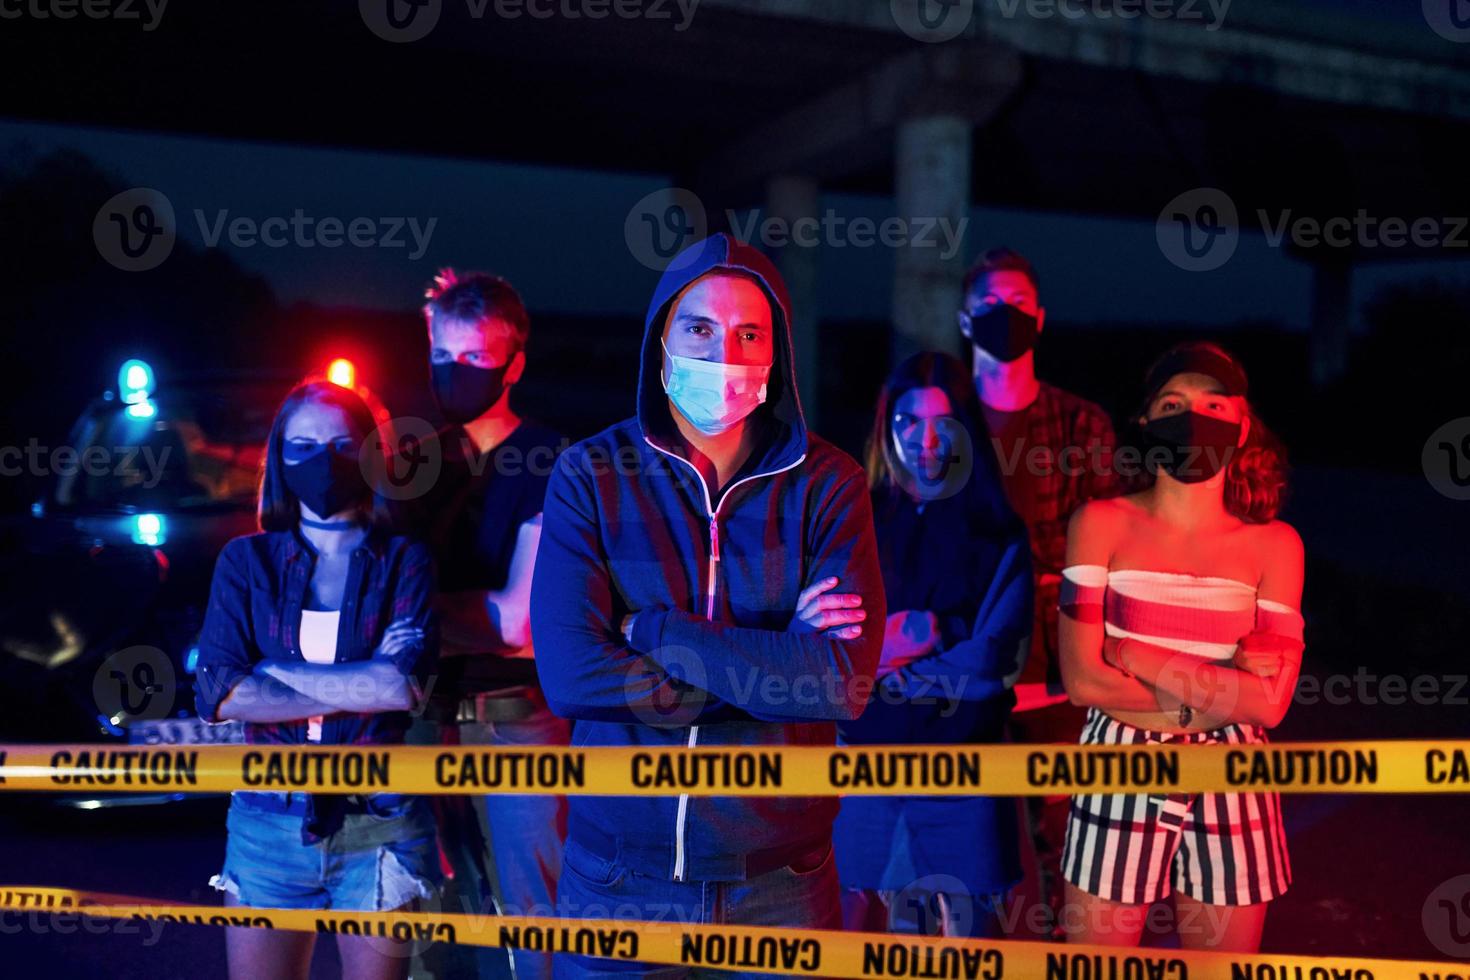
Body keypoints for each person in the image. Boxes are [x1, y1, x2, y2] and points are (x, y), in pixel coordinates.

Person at [530, 232, 886, 978]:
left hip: (783, 883)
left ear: (775, 351)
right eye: (699, 328)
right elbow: (569, 677)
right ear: (660, 341)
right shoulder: (590, 474)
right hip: (618, 876)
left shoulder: (830, 483)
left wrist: (650, 630)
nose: (723, 351)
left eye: (747, 332)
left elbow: (842, 686)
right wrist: (776, 665)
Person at [1058, 342, 1305, 951]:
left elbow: (1270, 707)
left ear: (1243, 427)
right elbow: (1083, 682)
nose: (1193, 417)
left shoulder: (1277, 545)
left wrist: (1135, 657)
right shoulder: (1100, 523)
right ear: (1146, 421)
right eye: (1174, 402)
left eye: (1214, 405)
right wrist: (1223, 693)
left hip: (1235, 770)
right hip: (1117, 762)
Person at [194, 379, 441, 980]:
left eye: (339, 444)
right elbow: (220, 693)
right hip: (267, 823)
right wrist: (369, 674)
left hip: (379, 822)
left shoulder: (406, 560)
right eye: (302, 445)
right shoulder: (245, 562)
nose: (321, 461)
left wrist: (273, 672)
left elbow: (403, 688)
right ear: (278, 457)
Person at [405, 268, 570, 980]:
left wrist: (409, 612)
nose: (456, 371)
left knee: (534, 917)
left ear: (514, 363)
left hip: (515, 719)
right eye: (444, 354)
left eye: (476, 358)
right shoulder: (410, 460)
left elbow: (517, 624)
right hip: (418, 713)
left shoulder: (552, 462)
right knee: (425, 912)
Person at [834, 352, 1032, 939]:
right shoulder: (852, 521)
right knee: (862, 943)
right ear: (885, 429)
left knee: (967, 945)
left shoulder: (996, 532)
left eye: (940, 423)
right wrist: (921, 635)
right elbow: (830, 647)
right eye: (906, 422)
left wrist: (891, 670)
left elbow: (994, 659)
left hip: (961, 777)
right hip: (865, 774)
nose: (923, 440)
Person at [957, 246, 1117, 936]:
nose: (1005, 317)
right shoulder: (936, 423)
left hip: (1055, 680)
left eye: (1019, 305)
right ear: (965, 321)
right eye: (991, 306)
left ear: (1041, 319)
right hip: (961, 676)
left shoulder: (1082, 427)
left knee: (1065, 856)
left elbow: (1106, 562)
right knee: (965, 860)